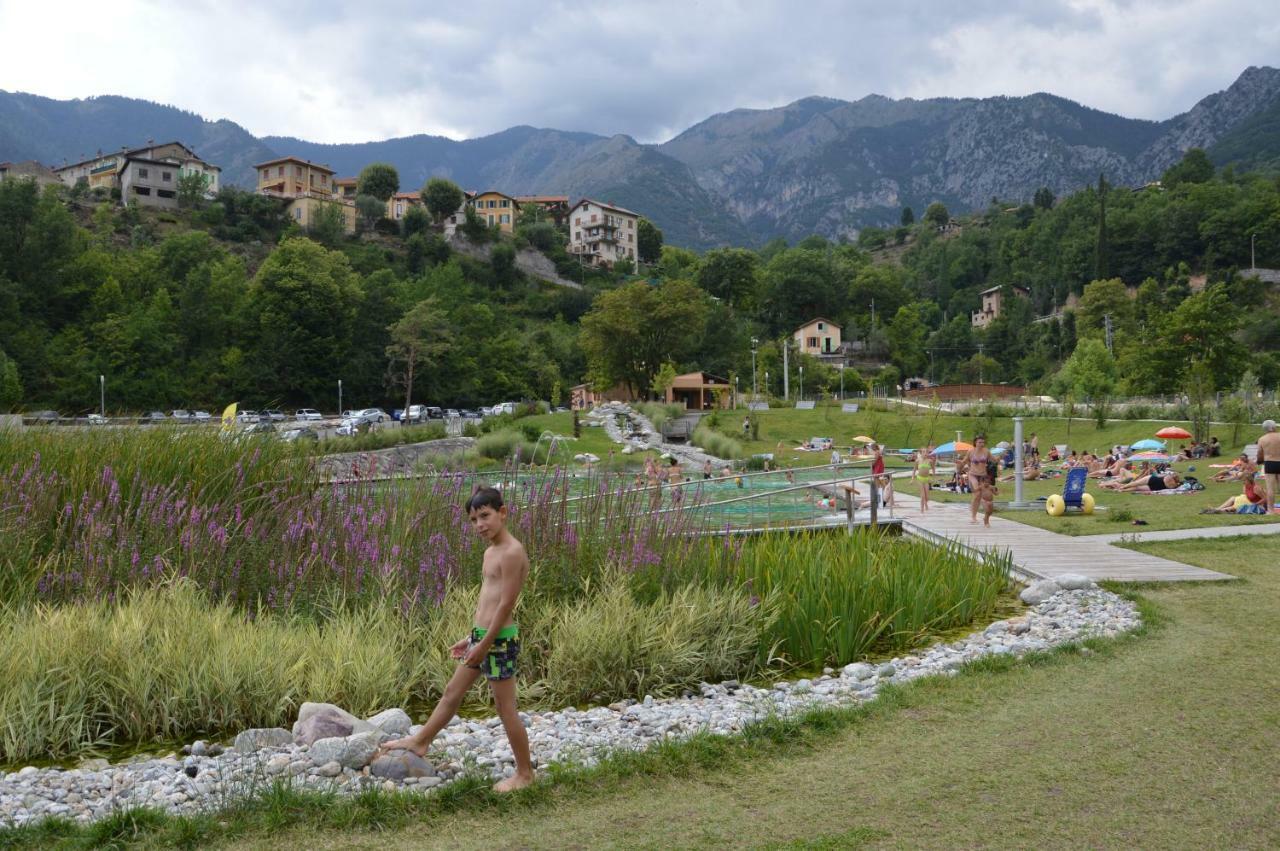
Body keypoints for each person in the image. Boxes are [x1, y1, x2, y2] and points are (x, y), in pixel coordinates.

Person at [377, 487, 535, 792]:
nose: (480, 524)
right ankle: (421, 741)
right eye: (474, 519)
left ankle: (525, 774)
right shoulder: (490, 552)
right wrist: (471, 638)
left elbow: (505, 605)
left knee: (506, 709)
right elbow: (486, 603)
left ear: (503, 513)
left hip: (499, 642)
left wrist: (485, 645)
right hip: (482, 638)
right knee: (452, 692)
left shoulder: (513, 552)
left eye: (485, 516)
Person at [965, 434, 992, 523]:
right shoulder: (970, 451)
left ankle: (979, 514)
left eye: (983, 442)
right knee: (977, 494)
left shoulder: (986, 451)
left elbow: (994, 460)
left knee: (980, 496)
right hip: (973, 475)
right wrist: (960, 464)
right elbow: (965, 460)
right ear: (975, 443)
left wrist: (1001, 456)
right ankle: (973, 517)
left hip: (983, 476)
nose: (982, 444)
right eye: (979, 442)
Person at [1257, 419, 1280, 514]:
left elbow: (1259, 453)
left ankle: (1270, 510)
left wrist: (1259, 461)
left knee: (1270, 489)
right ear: (1274, 427)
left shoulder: (1262, 439)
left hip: (1270, 463)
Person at [1113, 471, 1181, 493]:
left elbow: (1157, 475)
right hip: (1155, 487)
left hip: (1152, 479)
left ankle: (1122, 488)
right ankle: (1122, 490)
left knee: (1136, 484)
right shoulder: (1174, 485)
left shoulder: (1168, 476)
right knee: (1137, 487)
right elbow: (1170, 487)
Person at [913, 447, 932, 512]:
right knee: (923, 496)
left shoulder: (929, 461)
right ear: (920, 453)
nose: (925, 453)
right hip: (919, 479)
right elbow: (914, 470)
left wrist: (933, 477)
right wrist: (912, 479)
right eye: (923, 452)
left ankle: (926, 503)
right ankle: (922, 510)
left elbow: (933, 468)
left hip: (926, 479)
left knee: (927, 497)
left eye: (926, 452)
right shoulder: (917, 460)